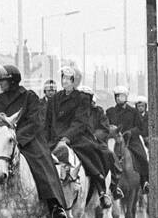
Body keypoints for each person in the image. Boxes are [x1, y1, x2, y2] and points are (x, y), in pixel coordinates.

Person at [0, 64, 70, 218]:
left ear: (12, 81)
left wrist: (17, 138)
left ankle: (54, 204)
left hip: (28, 139)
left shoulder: (29, 96)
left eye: (2, 81)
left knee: (42, 163)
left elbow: (35, 121)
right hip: (3, 142)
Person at [46, 65, 119, 207]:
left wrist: (66, 138)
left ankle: (101, 187)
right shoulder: (54, 99)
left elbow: (80, 122)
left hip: (76, 137)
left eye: (69, 79)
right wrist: (47, 139)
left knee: (94, 153)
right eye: (63, 78)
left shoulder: (82, 98)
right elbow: (47, 123)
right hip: (55, 138)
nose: (65, 81)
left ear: (74, 81)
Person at [105, 85, 148, 189]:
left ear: (126, 97)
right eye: (117, 96)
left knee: (142, 155)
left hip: (131, 141)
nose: (119, 98)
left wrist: (130, 132)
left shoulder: (133, 111)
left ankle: (144, 181)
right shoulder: (110, 111)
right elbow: (106, 126)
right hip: (115, 140)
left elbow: (140, 127)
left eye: (121, 96)